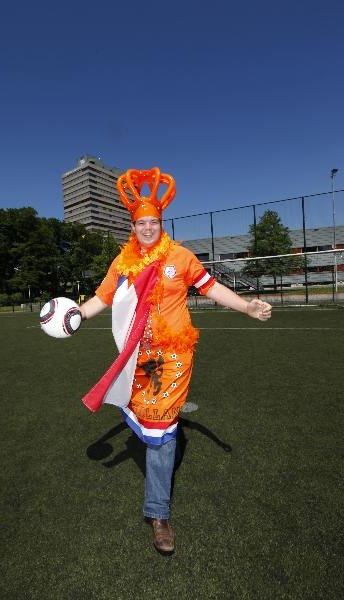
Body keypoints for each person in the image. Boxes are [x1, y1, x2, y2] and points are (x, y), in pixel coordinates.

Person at [79, 168, 272, 555]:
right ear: (132, 227)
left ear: (160, 224)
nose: (147, 228)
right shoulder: (122, 264)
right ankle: (154, 471)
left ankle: (158, 514)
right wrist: (76, 316)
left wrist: (246, 307)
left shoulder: (180, 256)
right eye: (141, 223)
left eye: (153, 222)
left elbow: (210, 286)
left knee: (163, 427)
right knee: (147, 420)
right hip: (137, 356)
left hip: (175, 355)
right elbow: (102, 299)